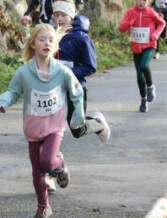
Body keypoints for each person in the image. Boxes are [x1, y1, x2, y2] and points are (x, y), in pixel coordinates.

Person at [0, 23, 107, 218]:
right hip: (33, 128)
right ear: (33, 45)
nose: (46, 43)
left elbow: (77, 92)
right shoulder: (24, 72)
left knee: (47, 162)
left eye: (50, 40)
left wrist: (78, 117)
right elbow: (13, 91)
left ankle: (60, 166)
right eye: (42, 39)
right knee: (37, 171)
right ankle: (43, 207)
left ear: (55, 46)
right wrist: (3, 102)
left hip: (54, 126)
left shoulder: (62, 72)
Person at [45, 0, 110, 194]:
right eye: (56, 15)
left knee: (76, 129)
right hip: (53, 91)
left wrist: (68, 71)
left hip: (75, 89)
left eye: (62, 15)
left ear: (71, 17)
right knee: (49, 130)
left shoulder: (81, 38)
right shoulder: (50, 35)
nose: (58, 19)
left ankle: (97, 122)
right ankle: (50, 174)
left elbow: (91, 66)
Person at [119, 0, 165, 112]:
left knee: (144, 66)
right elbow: (121, 29)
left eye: (144, 0)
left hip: (149, 45)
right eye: (139, 0)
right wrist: (128, 24)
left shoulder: (151, 12)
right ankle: (143, 100)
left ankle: (150, 86)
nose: (141, 2)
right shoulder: (130, 12)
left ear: (147, 1)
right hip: (136, 48)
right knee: (139, 76)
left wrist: (155, 34)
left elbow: (161, 23)